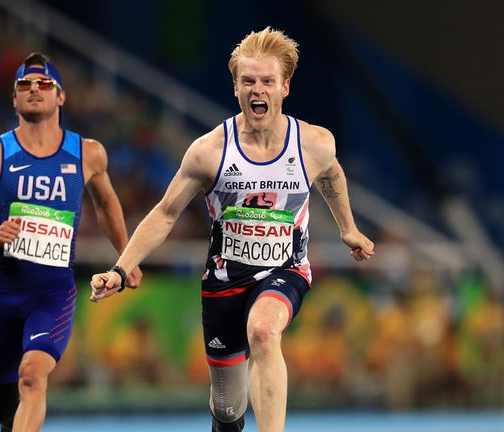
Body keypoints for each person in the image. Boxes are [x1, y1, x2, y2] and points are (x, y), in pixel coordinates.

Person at [90, 28, 374, 432]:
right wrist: (120, 270)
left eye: (267, 81)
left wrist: (348, 228)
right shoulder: (208, 152)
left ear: (285, 87)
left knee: (263, 332)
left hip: (285, 270)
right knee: (227, 409)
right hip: (225, 280)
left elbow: (331, 174)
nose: (257, 90)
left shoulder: (314, 143)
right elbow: (166, 213)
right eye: (248, 81)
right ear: (236, 87)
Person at [0, 52, 142, 432]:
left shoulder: (88, 153)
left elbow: (106, 205)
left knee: (33, 376)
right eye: (24, 85)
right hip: (3, 292)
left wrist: (129, 256)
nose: (34, 90)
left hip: (53, 294)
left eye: (44, 84)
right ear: (14, 99)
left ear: (61, 97)